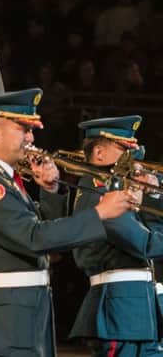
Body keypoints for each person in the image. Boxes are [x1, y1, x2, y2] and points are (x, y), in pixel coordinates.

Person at [0, 88, 135, 356]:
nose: (31, 137)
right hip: (3, 319)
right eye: (23, 128)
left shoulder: (2, 180)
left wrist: (50, 192)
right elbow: (34, 237)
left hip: (19, 311)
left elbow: (48, 234)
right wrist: (99, 213)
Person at [69, 116, 163, 356]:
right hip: (119, 309)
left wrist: (151, 195)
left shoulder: (113, 190)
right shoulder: (99, 193)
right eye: (124, 149)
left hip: (137, 307)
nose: (133, 158)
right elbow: (146, 245)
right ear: (99, 153)